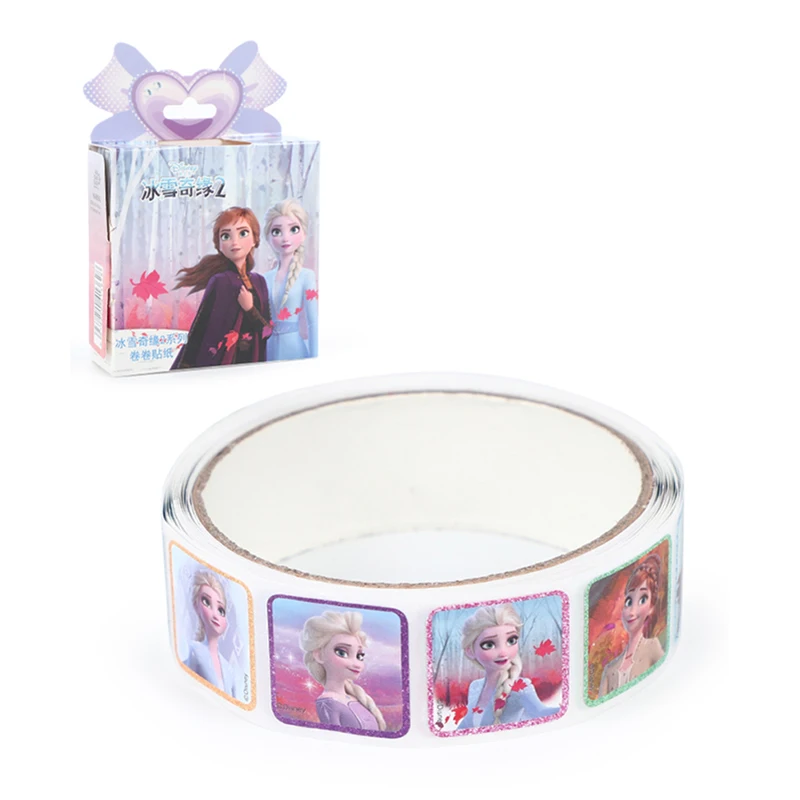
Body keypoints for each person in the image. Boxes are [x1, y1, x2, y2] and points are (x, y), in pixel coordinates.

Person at [171, 206, 271, 369]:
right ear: (219, 245)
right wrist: (186, 366)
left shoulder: (260, 281)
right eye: (226, 236)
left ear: (254, 239)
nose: (235, 242)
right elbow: (201, 328)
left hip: (252, 361)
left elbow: (266, 330)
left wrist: (250, 309)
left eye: (243, 233)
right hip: (224, 363)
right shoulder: (220, 281)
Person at [458, 604, 559, 729]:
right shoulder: (475, 687)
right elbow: (466, 725)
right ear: (470, 651)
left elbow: (541, 713)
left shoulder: (520, 687)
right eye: (489, 644)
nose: (503, 652)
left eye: (511, 641)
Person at [300, 610, 386, 731]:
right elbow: (334, 738)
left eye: (359, 656)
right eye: (342, 652)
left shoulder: (354, 697)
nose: (357, 664)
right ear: (319, 655)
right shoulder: (328, 702)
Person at [598, 554, 665, 697]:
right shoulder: (610, 669)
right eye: (629, 601)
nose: (632, 611)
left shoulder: (652, 647)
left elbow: (664, 679)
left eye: (643, 599)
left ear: (651, 608)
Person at [262, 199, 318, 360]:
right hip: (269, 350)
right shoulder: (265, 278)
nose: (286, 238)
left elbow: (313, 322)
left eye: (294, 229)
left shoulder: (307, 276)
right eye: (276, 231)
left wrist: (315, 357)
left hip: (295, 351)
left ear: (304, 234)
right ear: (268, 237)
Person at [183, 571, 238, 698]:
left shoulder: (229, 670)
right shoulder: (193, 650)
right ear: (196, 606)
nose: (215, 615)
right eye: (206, 602)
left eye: (221, 610)